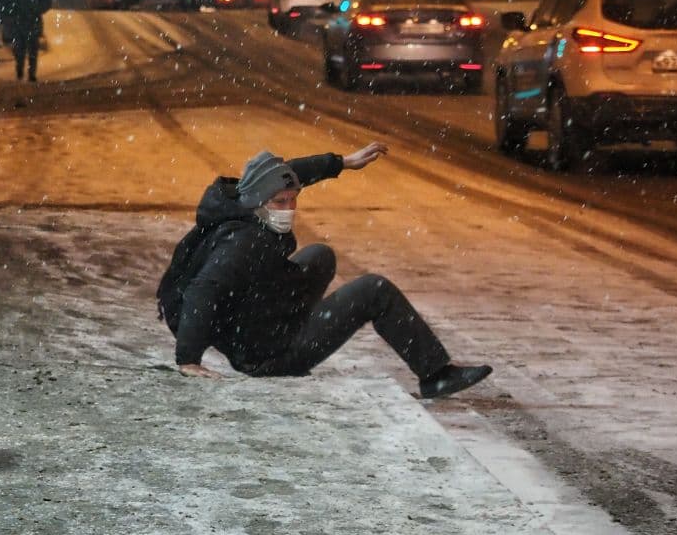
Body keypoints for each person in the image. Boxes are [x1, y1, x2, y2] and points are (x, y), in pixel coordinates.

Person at [158, 144, 492, 399]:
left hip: (256, 327)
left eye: (293, 199)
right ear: (260, 201)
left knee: (320, 255)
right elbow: (204, 290)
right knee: (374, 289)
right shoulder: (245, 242)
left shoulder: (238, 205)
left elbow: (288, 173)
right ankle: (435, 374)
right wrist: (189, 360)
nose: (289, 208)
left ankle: (288, 323)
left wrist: (341, 163)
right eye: (280, 202)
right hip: (269, 356)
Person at [6, 0, 51, 82]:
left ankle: (32, 73)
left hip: (33, 21)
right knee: (20, 50)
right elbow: (12, 2)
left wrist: (38, 9)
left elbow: (47, 2)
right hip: (21, 21)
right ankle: (20, 69)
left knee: (33, 50)